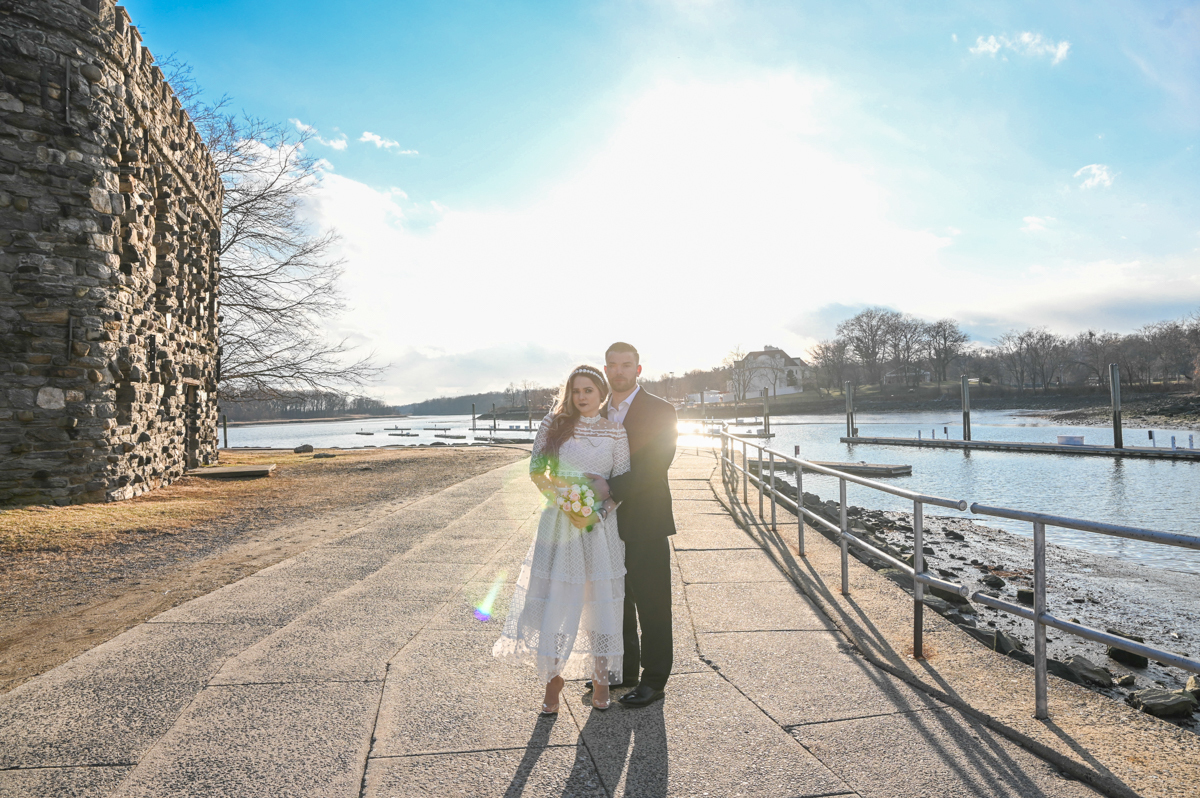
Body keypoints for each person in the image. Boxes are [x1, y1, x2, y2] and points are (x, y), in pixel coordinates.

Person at [492, 365, 629, 713]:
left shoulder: (616, 432)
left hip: (600, 528)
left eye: (588, 391)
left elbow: (623, 482)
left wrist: (601, 510)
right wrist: (566, 502)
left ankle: (601, 680)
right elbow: (537, 471)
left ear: (602, 394)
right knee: (557, 598)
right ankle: (553, 681)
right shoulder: (554, 426)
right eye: (576, 391)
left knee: (601, 602)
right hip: (559, 524)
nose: (581, 397)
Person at [587, 342, 677, 708]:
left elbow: (657, 464)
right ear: (605, 369)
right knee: (616, 600)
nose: (619, 371)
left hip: (647, 519)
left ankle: (654, 680)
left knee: (653, 603)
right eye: (613, 365)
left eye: (626, 365)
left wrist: (610, 488)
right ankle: (623, 671)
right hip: (605, 524)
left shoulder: (661, 409)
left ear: (638, 369)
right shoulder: (596, 410)